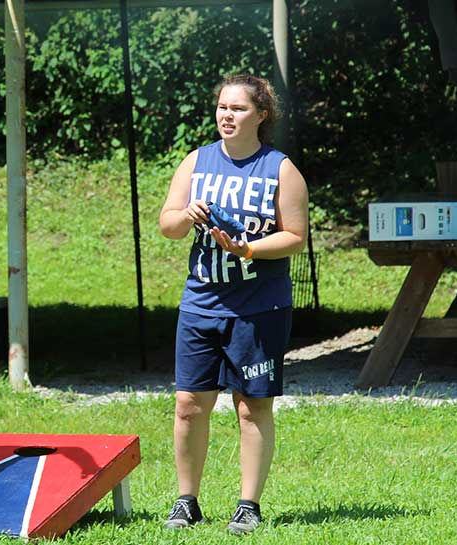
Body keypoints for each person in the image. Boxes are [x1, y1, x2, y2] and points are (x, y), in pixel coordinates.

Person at [157, 74, 308, 536]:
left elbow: (296, 238)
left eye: (238, 108)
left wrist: (248, 250)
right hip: (201, 303)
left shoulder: (280, 168)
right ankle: (187, 501)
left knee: (251, 406)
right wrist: (185, 215)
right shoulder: (197, 161)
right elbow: (167, 225)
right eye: (222, 107)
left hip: (259, 308)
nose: (226, 115)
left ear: (261, 115)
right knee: (188, 404)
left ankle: (248, 505)